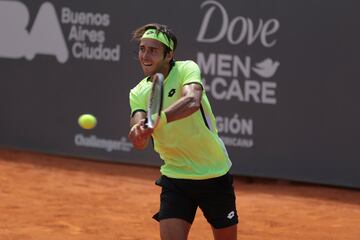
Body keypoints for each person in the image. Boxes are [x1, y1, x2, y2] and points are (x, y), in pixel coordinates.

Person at [128, 23, 238, 240]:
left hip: (213, 173)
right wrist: (138, 133)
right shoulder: (138, 92)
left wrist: (161, 118)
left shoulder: (186, 69)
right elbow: (139, 141)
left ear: (169, 55)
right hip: (175, 177)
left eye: (153, 50)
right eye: (142, 49)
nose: (145, 55)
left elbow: (192, 100)